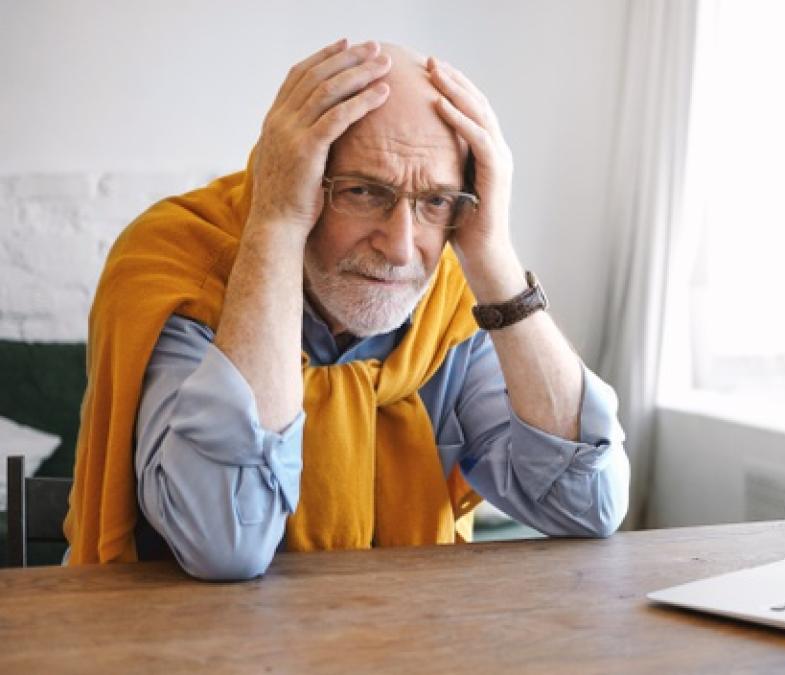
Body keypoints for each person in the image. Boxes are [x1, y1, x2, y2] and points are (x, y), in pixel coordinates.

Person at [64, 40, 630, 580]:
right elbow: (224, 544)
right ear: (296, 178)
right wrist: (277, 224)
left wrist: (492, 254)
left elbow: (586, 505)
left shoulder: (452, 295)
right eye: (363, 192)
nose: (402, 247)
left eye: (435, 201)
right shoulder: (178, 265)